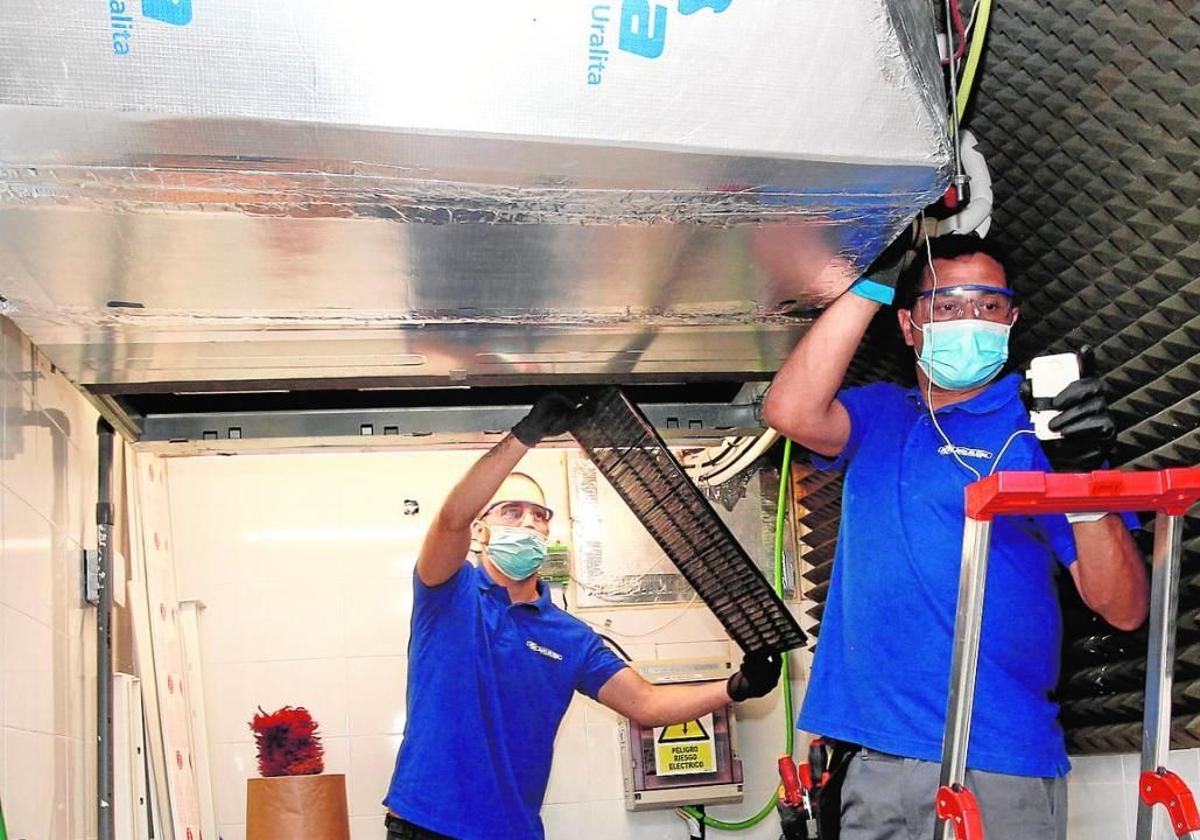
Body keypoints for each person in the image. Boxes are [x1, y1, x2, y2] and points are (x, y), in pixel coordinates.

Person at [761, 234, 1148, 840]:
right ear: (910, 326)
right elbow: (789, 410)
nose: (970, 319)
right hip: (873, 763)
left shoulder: (1041, 435)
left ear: (1012, 319)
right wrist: (874, 279)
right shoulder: (879, 415)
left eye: (988, 306)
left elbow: (1123, 607)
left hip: (997, 761)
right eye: (946, 305)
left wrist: (1084, 477)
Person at [382, 393, 783, 840]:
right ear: (482, 530)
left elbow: (646, 705)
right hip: (423, 825)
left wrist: (734, 688)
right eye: (511, 511)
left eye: (539, 516)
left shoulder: (570, 637)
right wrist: (524, 436)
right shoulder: (447, 593)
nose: (527, 523)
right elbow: (449, 520)